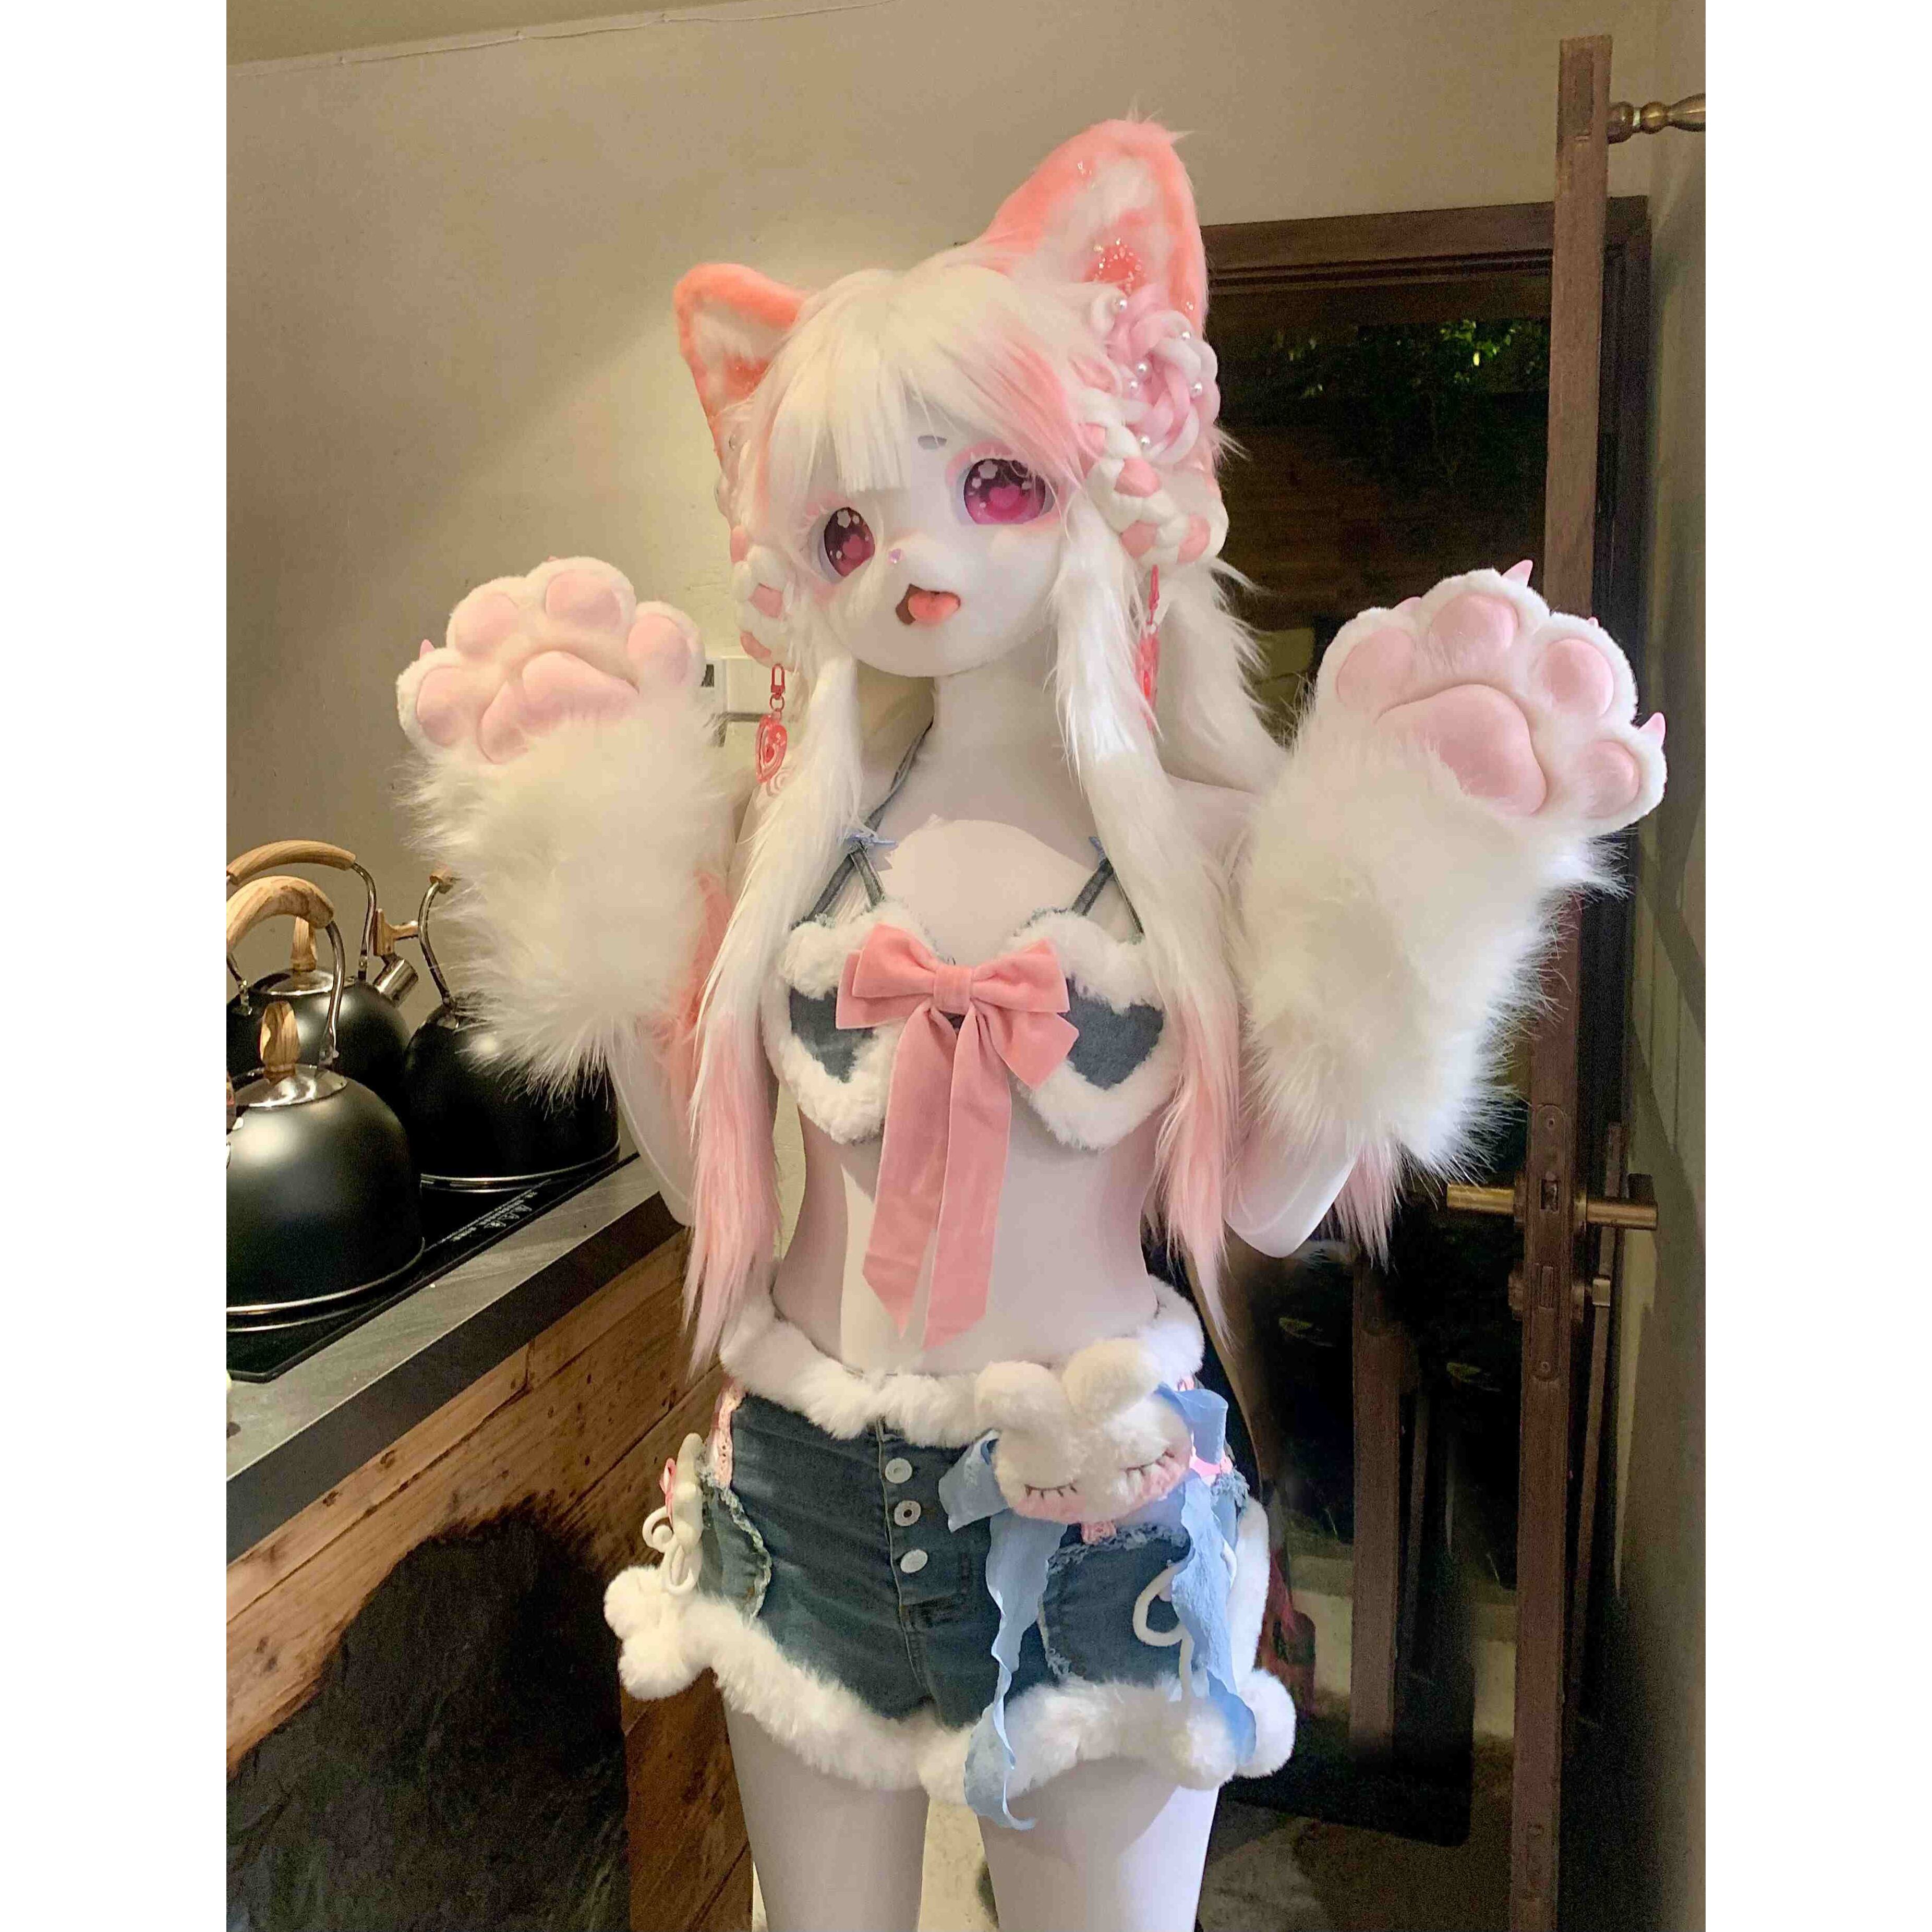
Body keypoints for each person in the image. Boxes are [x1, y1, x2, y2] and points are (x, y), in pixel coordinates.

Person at [395, 119, 1665, 1932]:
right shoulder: (787, 850)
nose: (911, 556)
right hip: (801, 1493)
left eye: (989, 481)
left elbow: (1280, 1203)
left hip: (1095, 1507)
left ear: (1105, 484)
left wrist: (1410, 899)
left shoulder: (1211, 847)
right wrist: (592, 883)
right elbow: (701, 1187)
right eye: (847, 526)